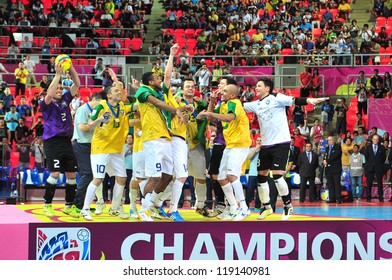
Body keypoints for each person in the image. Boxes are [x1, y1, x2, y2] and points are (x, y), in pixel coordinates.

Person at [243, 77, 327, 220]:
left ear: (267, 88)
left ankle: (288, 206)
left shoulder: (276, 97)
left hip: (281, 143)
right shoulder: (256, 104)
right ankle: (267, 207)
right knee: (261, 176)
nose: (256, 88)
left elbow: (295, 101)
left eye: (259, 86)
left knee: (277, 176)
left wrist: (310, 101)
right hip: (265, 145)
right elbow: (240, 106)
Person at [135, 71, 193, 221]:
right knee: (154, 177)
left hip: (165, 138)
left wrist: (182, 110)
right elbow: (157, 103)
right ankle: (144, 210)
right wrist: (176, 109)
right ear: (150, 82)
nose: (159, 79)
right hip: (153, 138)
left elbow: (164, 107)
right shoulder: (143, 90)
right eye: (156, 78)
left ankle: (151, 204)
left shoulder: (160, 94)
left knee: (167, 176)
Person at [80, 80, 137, 221]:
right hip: (101, 149)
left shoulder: (123, 107)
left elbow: (137, 105)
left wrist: (139, 89)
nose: (120, 92)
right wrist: (100, 120)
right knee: (98, 178)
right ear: (109, 96)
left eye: (120, 91)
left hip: (116, 150)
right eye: (116, 91)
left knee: (122, 178)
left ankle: (115, 208)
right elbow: (89, 125)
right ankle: (85, 209)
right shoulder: (101, 106)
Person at [197, 83, 252, 221]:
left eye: (225, 91)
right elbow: (211, 120)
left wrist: (208, 112)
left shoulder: (235, 103)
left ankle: (244, 208)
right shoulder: (223, 105)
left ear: (232, 95)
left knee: (232, 175)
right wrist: (212, 102)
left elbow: (229, 118)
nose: (222, 92)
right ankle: (233, 207)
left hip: (240, 144)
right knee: (221, 177)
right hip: (230, 145)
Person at [41, 63, 80, 218]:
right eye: (56, 88)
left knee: (72, 175)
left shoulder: (65, 99)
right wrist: (57, 75)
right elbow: (49, 95)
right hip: (52, 141)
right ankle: (47, 204)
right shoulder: (45, 104)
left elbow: (77, 84)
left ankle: (68, 206)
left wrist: (70, 68)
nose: (58, 90)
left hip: (66, 141)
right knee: (55, 173)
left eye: (60, 88)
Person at [72, 92, 103, 212]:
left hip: (91, 144)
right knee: (87, 173)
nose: (100, 107)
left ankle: (84, 203)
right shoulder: (83, 110)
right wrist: (98, 121)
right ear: (94, 99)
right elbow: (82, 127)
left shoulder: (95, 112)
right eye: (99, 104)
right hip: (82, 144)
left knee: (90, 174)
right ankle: (78, 204)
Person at [364, 134, 386, 202]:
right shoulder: (368, 147)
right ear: (372, 139)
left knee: (380, 183)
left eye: (377, 139)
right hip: (370, 168)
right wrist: (368, 166)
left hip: (379, 167)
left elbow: (383, 158)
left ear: (378, 140)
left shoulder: (382, 147)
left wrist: (379, 164)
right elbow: (366, 158)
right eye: (374, 139)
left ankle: (380, 197)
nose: (375, 140)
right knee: (369, 183)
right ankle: (368, 197)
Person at [323, 135, 343, 204]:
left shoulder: (337, 147)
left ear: (334, 140)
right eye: (328, 140)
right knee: (330, 184)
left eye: (331, 140)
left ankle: (338, 198)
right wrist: (324, 161)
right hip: (328, 169)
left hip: (336, 169)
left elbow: (335, 156)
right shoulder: (327, 148)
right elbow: (325, 156)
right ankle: (332, 198)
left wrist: (327, 161)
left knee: (336, 184)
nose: (329, 141)